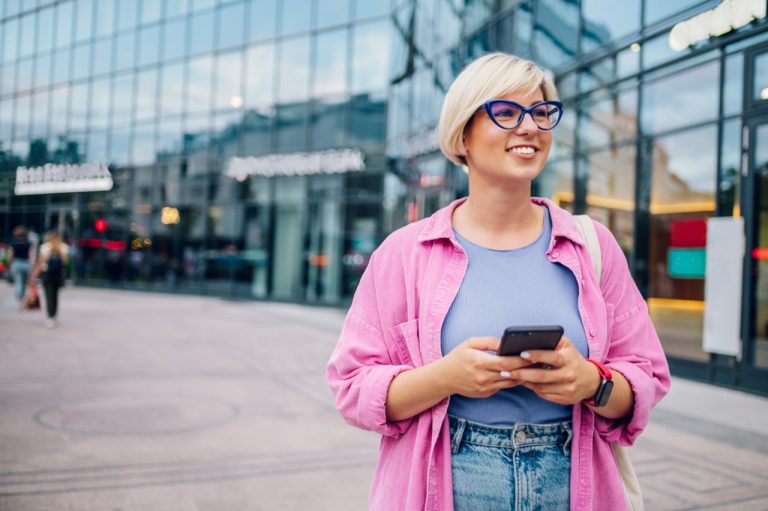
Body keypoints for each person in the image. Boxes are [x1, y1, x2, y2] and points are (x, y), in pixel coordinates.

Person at [326, 52, 670, 511]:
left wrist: (591, 382)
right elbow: (351, 386)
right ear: (462, 134)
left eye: (541, 113)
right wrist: (444, 377)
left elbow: (646, 375)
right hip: (450, 478)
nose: (529, 127)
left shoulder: (591, 245)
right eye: (506, 113)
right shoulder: (404, 254)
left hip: (572, 478)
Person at [30, 230, 69, 328]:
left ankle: (50, 317)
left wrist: (34, 275)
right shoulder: (63, 247)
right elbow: (66, 262)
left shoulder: (45, 247)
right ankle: (54, 316)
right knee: (55, 296)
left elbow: (40, 262)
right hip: (58, 275)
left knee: (48, 296)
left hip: (47, 274)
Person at [8, 226, 35, 310]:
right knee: (23, 284)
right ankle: (22, 299)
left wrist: (9, 264)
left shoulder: (13, 243)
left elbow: (10, 255)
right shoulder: (29, 243)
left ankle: (20, 300)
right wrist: (32, 265)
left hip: (16, 263)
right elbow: (31, 255)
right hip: (26, 264)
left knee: (18, 282)